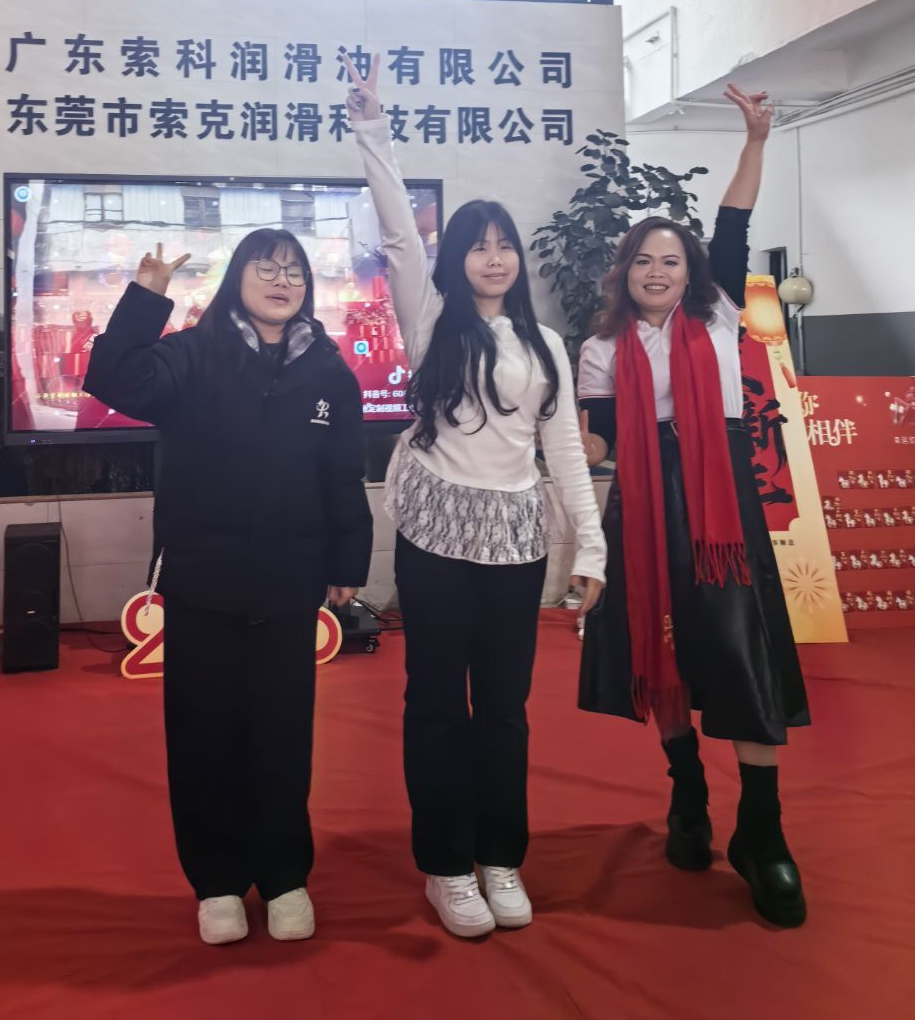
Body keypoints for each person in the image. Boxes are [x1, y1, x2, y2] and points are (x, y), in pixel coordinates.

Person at [344, 56, 606, 939]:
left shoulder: (547, 345)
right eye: (477, 245)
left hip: (516, 539)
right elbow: (397, 234)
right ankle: (447, 866)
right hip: (435, 532)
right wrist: (373, 129)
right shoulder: (430, 317)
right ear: (456, 259)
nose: (493, 258)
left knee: (503, 707)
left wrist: (591, 549)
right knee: (434, 703)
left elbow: (562, 450)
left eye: (504, 245)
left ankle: (500, 857)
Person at [83, 231, 373, 946]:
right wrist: (146, 296)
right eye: (265, 267)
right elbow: (112, 379)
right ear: (237, 277)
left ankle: (284, 876)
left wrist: (348, 560)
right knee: (202, 732)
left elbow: (342, 474)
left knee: (283, 734)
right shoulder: (192, 354)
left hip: (289, 581)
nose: (281, 280)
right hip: (202, 579)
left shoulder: (329, 372)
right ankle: (215, 882)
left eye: (294, 271)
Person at [576, 84, 810, 928]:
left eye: (671, 261)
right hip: (643, 505)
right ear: (625, 271)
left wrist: (756, 140)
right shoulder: (600, 348)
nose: (658, 272)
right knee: (661, 643)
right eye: (644, 261)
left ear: (690, 271)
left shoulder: (716, 313)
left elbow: (734, 220)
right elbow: (597, 443)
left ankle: (763, 831)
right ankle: (687, 796)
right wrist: (547, 447)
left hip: (721, 505)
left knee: (744, 650)